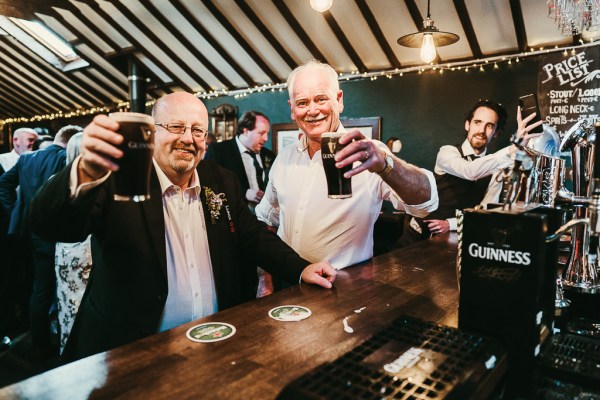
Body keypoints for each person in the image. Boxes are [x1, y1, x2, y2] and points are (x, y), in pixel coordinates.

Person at [28, 92, 336, 363]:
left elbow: (252, 236)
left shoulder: (221, 180)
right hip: (129, 353)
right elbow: (49, 225)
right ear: (151, 133)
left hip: (213, 344)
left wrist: (300, 268)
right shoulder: (120, 179)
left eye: (198, 130)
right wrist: (84, 169)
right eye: (175, 127)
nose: (188, 138)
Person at [255, 60, 438, 272]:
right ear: (292, 109)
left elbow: (426, 203)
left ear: (339, 100)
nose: (313, 110)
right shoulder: (285, 159)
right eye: (303, 102)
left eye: (321, 99)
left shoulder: (370, 153)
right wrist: (265, 280)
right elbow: (267, 220)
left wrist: (385, 164)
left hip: (344, 289)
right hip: (287, 285)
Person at [399, 99, 543, 243]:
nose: (481, 130)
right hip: (416, 237)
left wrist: (451, 224)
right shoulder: (447, 152)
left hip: (453, 239)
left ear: (496, 133)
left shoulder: (497, 169)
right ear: (468, 125)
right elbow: (470, 171)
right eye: (477, 122)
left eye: (489, 126)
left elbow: (484, 211)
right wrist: (514, 148)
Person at [0, 125, 83, 359]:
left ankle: (39, 343)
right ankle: (63, 340)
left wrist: (17, 212)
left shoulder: (27, 159)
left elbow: (4, 184)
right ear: (70, 142)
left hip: (32, 233)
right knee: (63, 288)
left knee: (39, 287)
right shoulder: (63, 158)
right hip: (60, 234)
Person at [54, 132, 92, 353]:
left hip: (64, 252)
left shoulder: (56, 180)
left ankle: (68, 350)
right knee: (81, 304)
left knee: (69, 304)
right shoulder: (91, 185)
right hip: (84, 250)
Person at [205, 111, 275, 211]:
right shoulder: (218, 151)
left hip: (265, 219)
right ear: (245, 131)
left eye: (267, 133)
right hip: (232, 217)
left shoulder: (269, 155)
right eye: (261, 133)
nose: (266, 138)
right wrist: (244, 193)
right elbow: (209, 185)